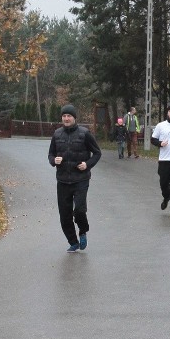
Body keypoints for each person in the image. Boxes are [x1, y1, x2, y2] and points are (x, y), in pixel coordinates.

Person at [48, 104, 102, 251]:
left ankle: (83, 231)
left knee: (79, 210)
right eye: (64, 116)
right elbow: (51, 154)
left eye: (69, 116)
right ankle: (73, 242)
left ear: (74, 118)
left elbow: (97, 153)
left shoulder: (84, 134)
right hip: (63, 180)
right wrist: (54, 161)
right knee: (64, 215)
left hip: (81, 179)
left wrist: (87, 164)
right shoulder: (57, 134)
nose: (66, 118)